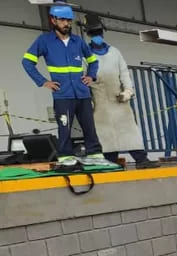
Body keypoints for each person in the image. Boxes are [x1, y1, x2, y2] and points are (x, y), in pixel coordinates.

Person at [21, 3, 116, 170]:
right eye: (63, 20)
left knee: (89, 127)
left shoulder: (78, 41)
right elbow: (27, 62)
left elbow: (93, 61)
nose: (66, 24)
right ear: (53, 20)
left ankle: (95, 155)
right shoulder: (44, 41)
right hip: (62, 94)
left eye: (69, 20)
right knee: (64, 128)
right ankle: (65, 157)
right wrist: (43, 82)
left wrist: (90, 76)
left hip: (82, 93)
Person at [81, 14, 158, 169]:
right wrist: (88, 100)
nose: (97, 37)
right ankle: (111, 162)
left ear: (103, 33)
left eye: (99, 33)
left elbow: (124, 72)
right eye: (93, 34)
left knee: (129, 129)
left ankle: (141, 160)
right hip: (99, 99)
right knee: (105, 133)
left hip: (118, 97)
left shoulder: (114, 52)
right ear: (89, 35)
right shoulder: (85, 55)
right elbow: (83, 78)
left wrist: (128, 90)